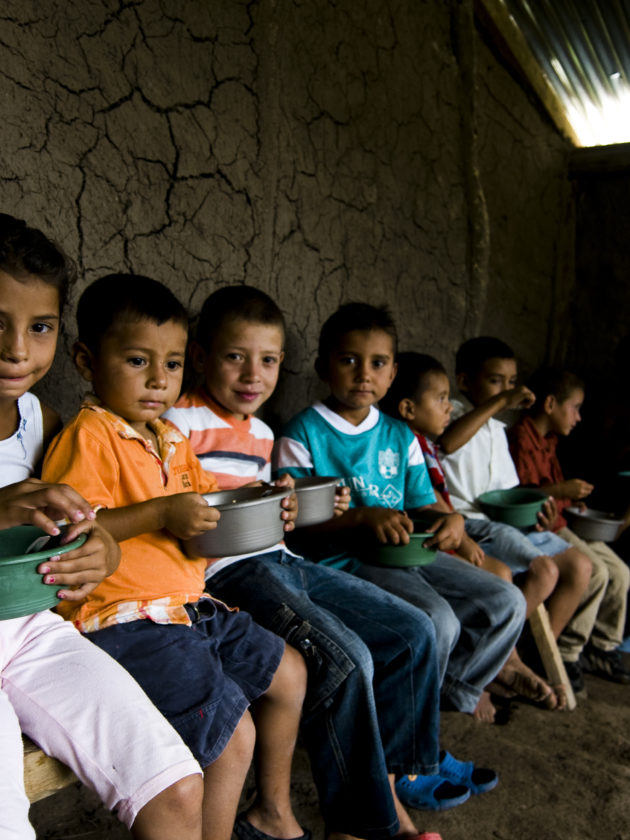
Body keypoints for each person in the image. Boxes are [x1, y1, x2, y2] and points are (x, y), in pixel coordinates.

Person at [165, 285, 454, 835]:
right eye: (235, 357)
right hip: (227, 573)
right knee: (347, 658)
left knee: (412, 630)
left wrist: (287, 503)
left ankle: (394, 786)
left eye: (268, 361)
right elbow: (182, 512)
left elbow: (262, 510)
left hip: (281, 558)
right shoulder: (177, 422)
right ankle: (368, 825)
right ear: (200, 357)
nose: (253, 376)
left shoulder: (261, 431)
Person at [42, 274, 308, 840]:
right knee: (232, 732)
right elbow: (74, 530)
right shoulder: (90, 437)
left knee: (289, 672)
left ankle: (270, 812)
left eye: (173, 364)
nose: (159, 380)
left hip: (187, 607)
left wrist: (267, 501)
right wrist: (162, 512)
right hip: (122, 619)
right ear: (87, 360)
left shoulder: (172, 439)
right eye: (138, 361)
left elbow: (212, 507)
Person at [0, 214, 207, 839]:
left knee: (175, 787)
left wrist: (102, 553)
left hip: (28, 627)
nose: (17, 349)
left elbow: (85, 528)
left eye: (39, 327)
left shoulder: (41, 422)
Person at [274, 301, 525, 742]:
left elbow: (421, 504)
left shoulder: (399, 434)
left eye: (378, 363)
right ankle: (410, 733)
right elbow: (293, 525)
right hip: (343, 558)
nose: (363, 374)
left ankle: (442, 697)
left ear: (392, 374)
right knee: (438, 620)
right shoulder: (303, 433)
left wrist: (451, 521)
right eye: (349, 360)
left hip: (407, 549)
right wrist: (360, 517)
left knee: (506, 601)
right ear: (322, 367)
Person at [378, 351, 562, 711]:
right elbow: (423, 504)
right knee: (499, 578)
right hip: (436, 530)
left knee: (535, 570)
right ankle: (483, 676)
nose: (449, 407)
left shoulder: (426, 441)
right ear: (408, 408)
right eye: (441, 399)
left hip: (460, 522)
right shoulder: (405, 440)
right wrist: (460, 538)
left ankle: (498, 665)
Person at [439, 337, 596, 696]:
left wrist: (541, 510)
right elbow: (447, 444)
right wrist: (500, 402)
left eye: (511, 383)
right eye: (496, 381)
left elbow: (509, 493)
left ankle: (532, 653)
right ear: (465, 381)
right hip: (470, 522)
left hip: (502, 523)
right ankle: (499, 658)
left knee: (580, 566)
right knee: (544, 571)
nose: (507, 391)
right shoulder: (455, 416)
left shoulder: (497, 431)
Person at [508, 367, 630, 685]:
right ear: (550, 404)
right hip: (541, 529)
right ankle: (565, 651)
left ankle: (602, 647)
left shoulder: (549, 441)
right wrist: (561, 491)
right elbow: (520, 496)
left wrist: (570, 502)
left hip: (560, 523)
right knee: (597, 572)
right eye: (574, 408)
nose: (578, 417)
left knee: (620, 572)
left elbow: (554, 493)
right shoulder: (520, 438)